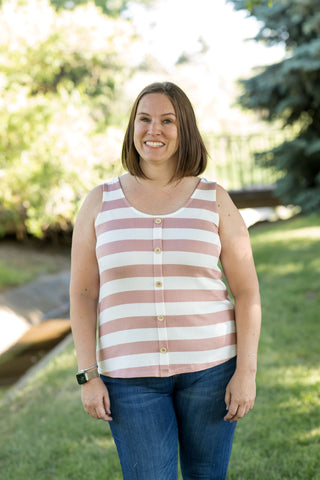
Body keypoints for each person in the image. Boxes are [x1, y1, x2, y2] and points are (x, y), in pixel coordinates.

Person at [70, 81, 261, 480]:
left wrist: (246, 372)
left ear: (184, 129)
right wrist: (88, 375)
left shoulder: (214, 199)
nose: (153, 129)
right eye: (144, 119)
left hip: (212, 371)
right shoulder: (99, 202)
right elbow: (84, 294)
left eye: (167, 120)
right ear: (132, 127)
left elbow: (246, 293)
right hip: (128, 379)